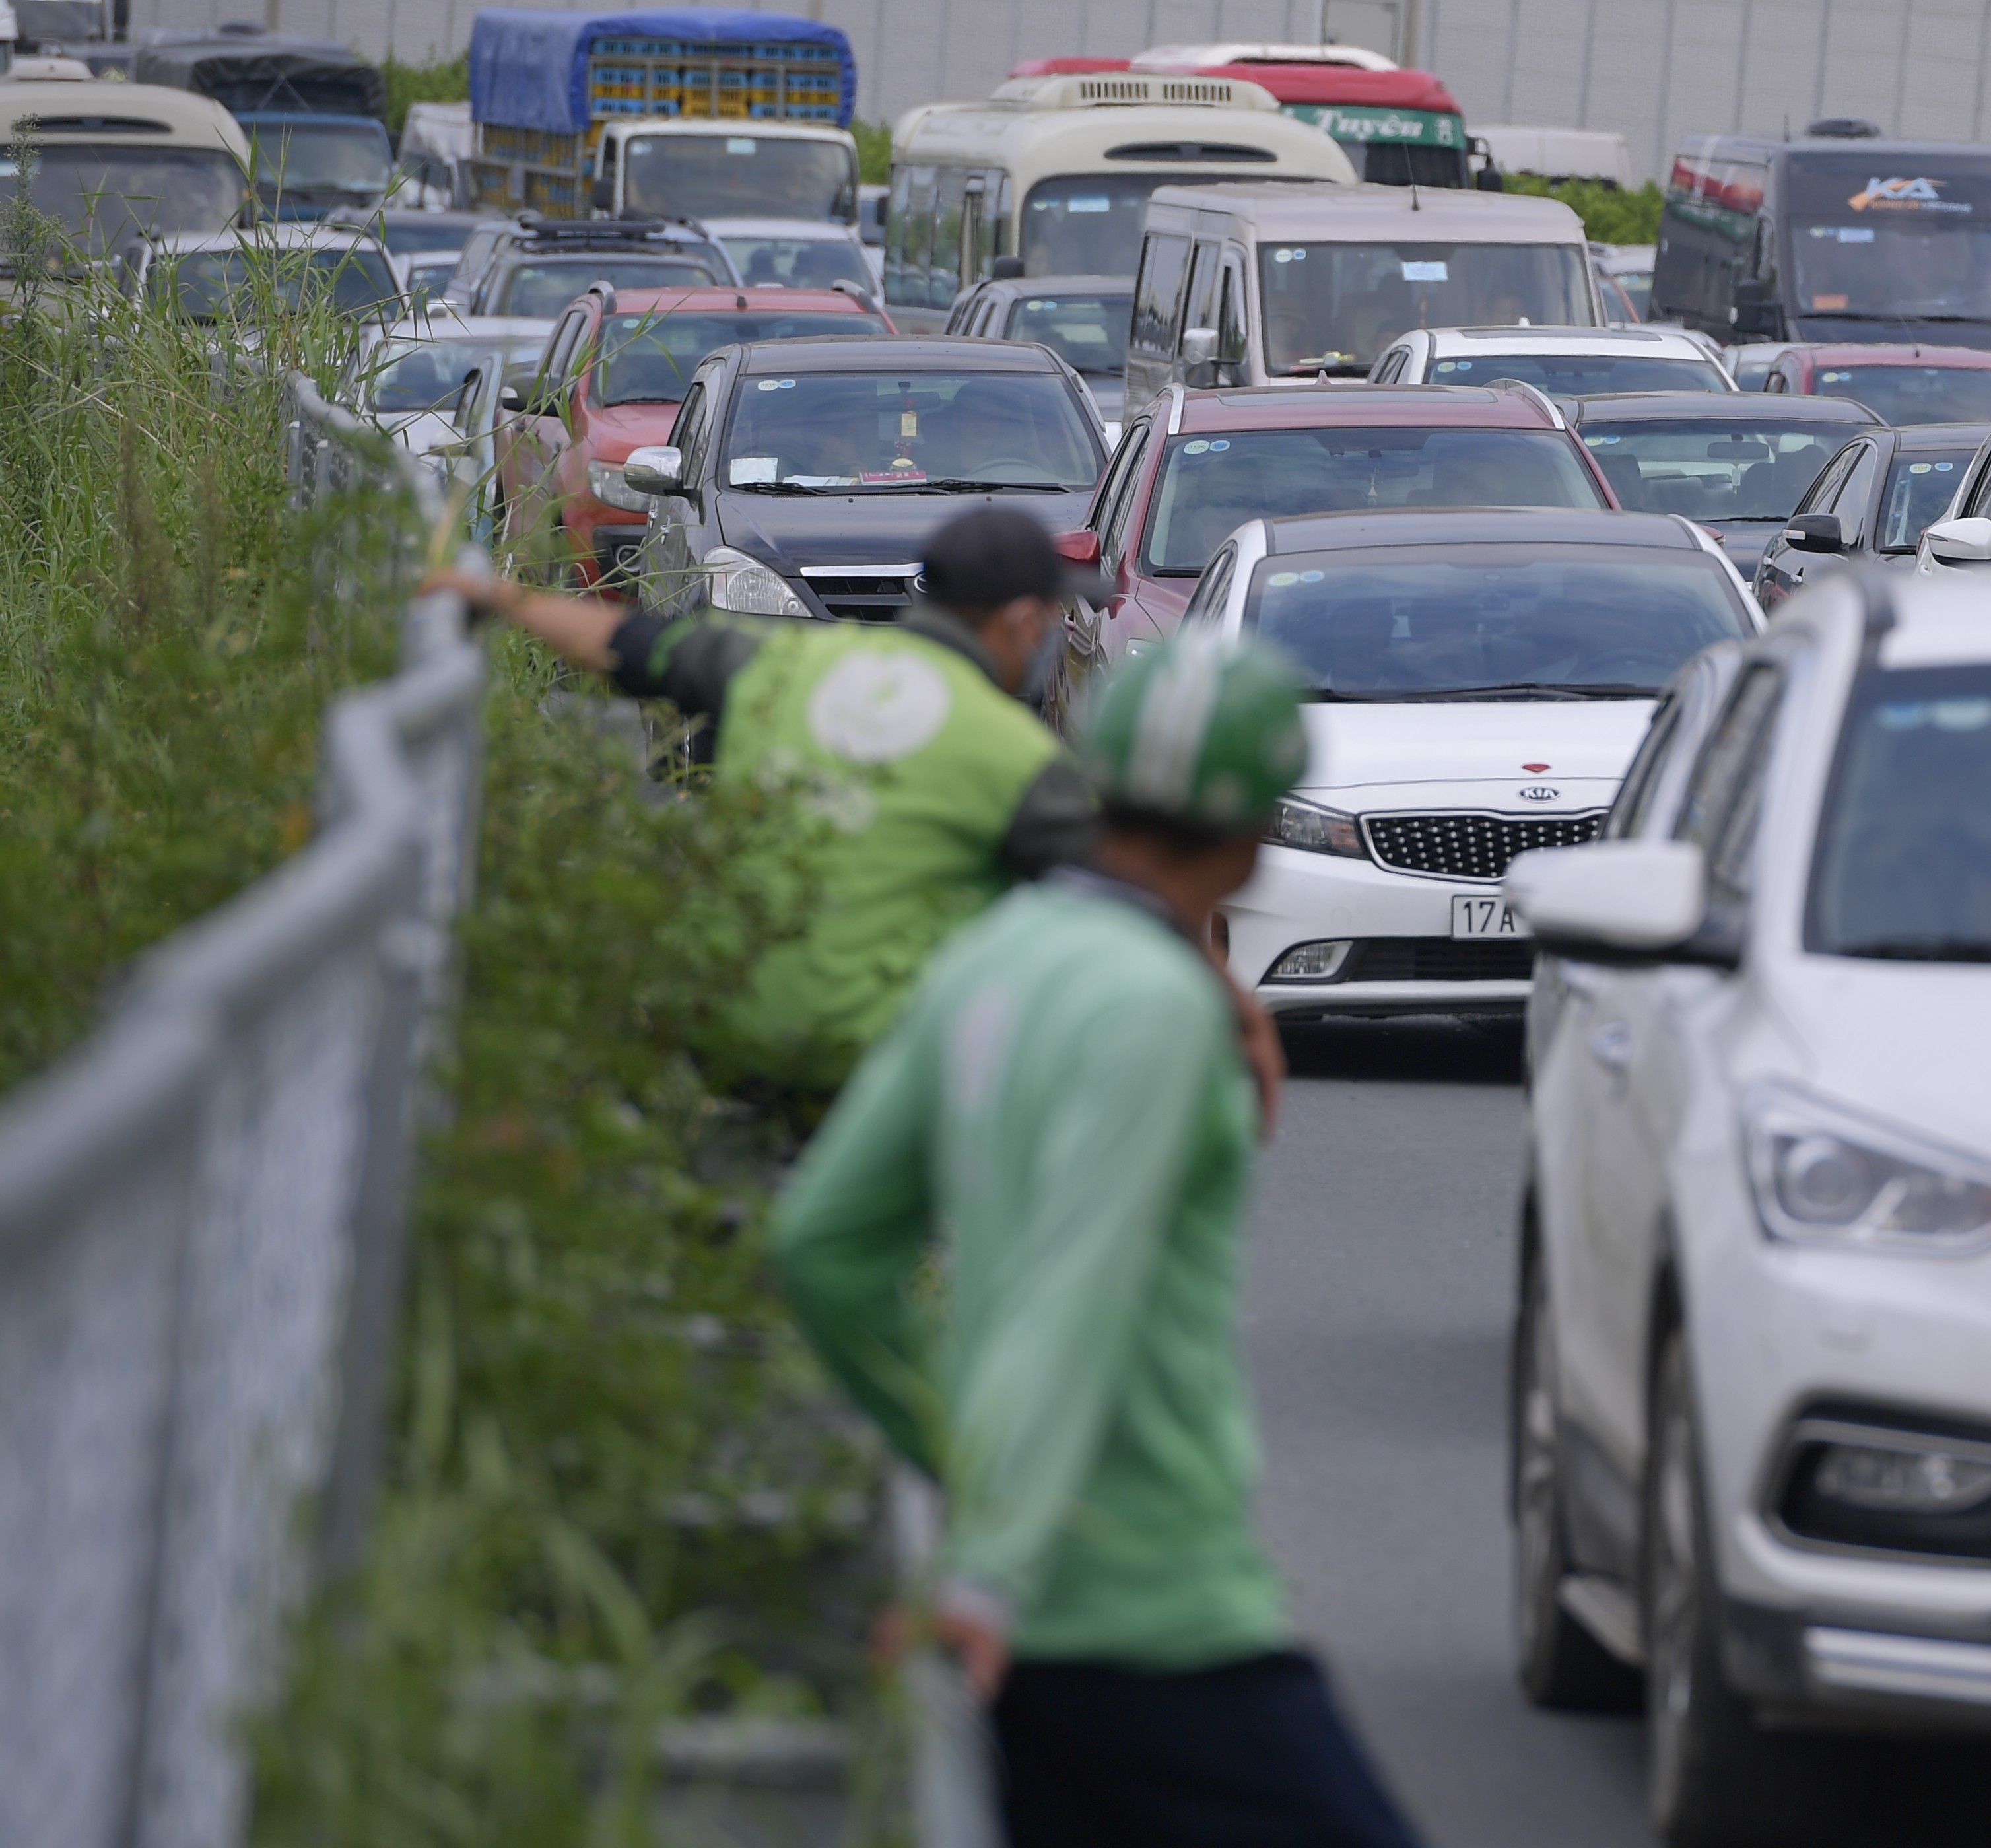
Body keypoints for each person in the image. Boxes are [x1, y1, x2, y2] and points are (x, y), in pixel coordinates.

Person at [771, 635, 1423, 1848]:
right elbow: (1075, 1289)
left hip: (1020, 1595)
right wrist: (997, 1564)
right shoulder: (1155, 1010)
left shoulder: (989, 958)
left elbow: (822, 1243)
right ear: (1249, 840)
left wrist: (960, 1463)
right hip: (1147, 1603)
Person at [428, 507, 1104, 1089]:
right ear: (1021, 620)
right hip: (871, 1069)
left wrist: (500, 598)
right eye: (1051, 617)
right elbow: (1131, 912)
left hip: (724, 1023)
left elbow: (628, 645)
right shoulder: (1017, 755)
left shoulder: (784, 665)